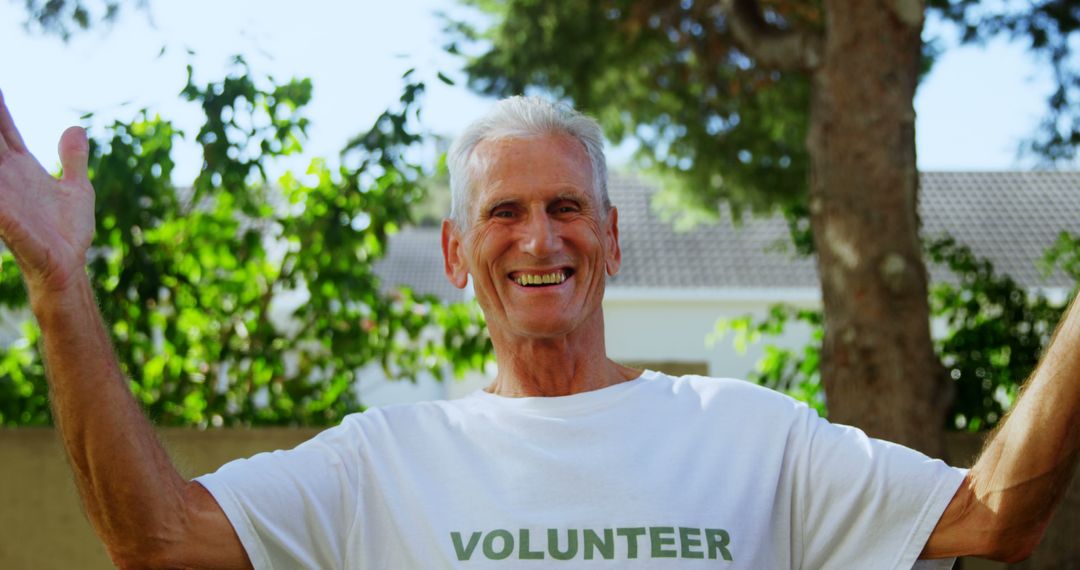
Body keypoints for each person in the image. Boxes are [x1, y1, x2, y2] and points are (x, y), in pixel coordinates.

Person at [0, 91, 1076, 569]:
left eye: (565, 207)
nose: (537, 237)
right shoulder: (384, 464)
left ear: (610, 237)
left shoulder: (751, 436)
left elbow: (993, 521)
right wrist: (59, 286)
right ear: (460, 254)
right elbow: (153, 538)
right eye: (503, 213)